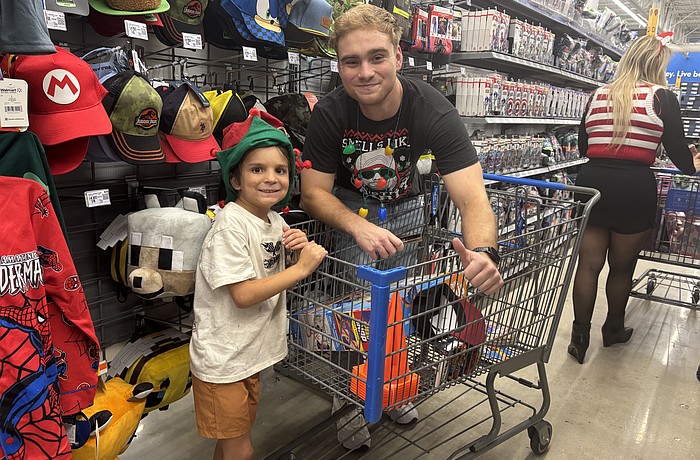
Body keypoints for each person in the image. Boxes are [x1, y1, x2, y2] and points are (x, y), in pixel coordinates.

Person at [299, 3, 504, 449]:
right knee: (356, 309)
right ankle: (350, 400)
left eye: (377, 57)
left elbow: (472, 196)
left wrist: (484, 252)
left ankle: (392, 384)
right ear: (339, 65)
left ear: (398, 56)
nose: (364, 72)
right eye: (351, 61)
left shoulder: (431, 109)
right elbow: (313, 193)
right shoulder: (331, 112)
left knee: (402, 305)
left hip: (408, 207)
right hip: (350, 210)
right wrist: (356, 226)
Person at [189, 110, 328, 460]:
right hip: (223, 361)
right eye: (257, 169)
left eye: (280, 170)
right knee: (242, 449)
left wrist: (295, 250)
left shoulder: (273, 220)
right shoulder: (230, 226)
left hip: (246, 354)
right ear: (235, 179)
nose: (270, 178)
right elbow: (244, 294)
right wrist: (301, 270)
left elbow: (267, 269)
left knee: (232, 440)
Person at [568, 34, 700, 364]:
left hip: (592, 184)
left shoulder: (597, 95)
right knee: (622, 267)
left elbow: (584, 147)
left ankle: (578, 339)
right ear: (658, 64)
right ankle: (613, 329)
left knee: (588, 265)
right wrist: (692, 163)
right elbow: (681, 157)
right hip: (634, 188)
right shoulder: (662, 97)